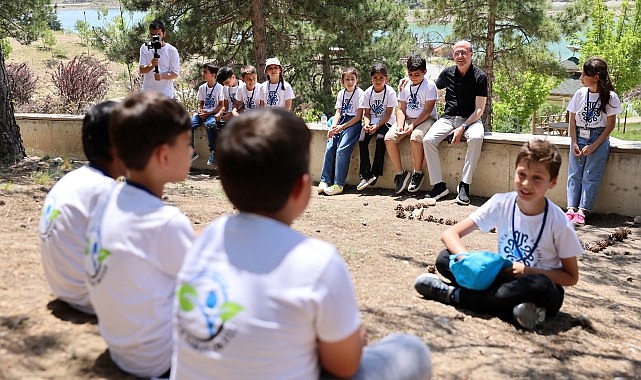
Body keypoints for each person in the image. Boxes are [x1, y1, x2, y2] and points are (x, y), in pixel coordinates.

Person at [171, 109, 432, 380]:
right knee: (411, 350)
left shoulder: (199, 242)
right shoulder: (317, 262)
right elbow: (345, 366)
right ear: (302, 189)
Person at [414, 139, 583, 331]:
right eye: (521, 174)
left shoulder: (559, 223)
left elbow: (571, 277)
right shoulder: (501, 202)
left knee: (541, 286)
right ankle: (515, 311)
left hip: (537, 287)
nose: (526, 183)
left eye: (537, 178)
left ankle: (451, 295)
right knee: (445, 258)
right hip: (502, 278)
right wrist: (466, 261)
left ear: (552, 182)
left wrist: (527, 271)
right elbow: (450, 234)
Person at [84, 92, 195, 378]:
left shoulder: (107, 200)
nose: (192, 152)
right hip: (160, 361)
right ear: (163, 154)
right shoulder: (166, 222)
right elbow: (205, 294)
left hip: (121, 349)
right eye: (188, 144)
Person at [39, 101, 126, 315]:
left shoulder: (72, 180)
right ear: (116, 149)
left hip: (65, 289)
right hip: (92, 297)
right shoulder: (105, 191)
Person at [422, 40, 487, 205]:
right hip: (449, 118)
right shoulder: (447, 73)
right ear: (453, 56)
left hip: (471, 120)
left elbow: (479, 109)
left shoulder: (480, 77)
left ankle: (465, 185)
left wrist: (463, 127)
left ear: (471, 54)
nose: (460, 56)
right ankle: (439, 186)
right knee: (428, 140)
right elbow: (429, 86)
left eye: (464, 52)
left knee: (476, 138)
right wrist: (407, 81)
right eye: (457, 53)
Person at [565, 57, 622, 226]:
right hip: (579, 137)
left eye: (584, 74)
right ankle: (570, 209)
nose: (581, 77)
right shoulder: (580, 94)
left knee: (591, 175)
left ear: (596, 76)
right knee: (574, 173)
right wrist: (574, 142)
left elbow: (610, 125)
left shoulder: (611, 97)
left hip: (598, 138)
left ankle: (583, 210)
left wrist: (595, 145)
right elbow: (572, 120)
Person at [385, 55, 438, 195]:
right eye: (410, 74)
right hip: (407, 119)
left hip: (426, 119)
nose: (413, 77)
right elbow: (401, 108)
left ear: (424, 72)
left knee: (415, 138)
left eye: (417, 74)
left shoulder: (430, 86)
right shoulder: (404, 85)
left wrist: (413, 126)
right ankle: (400, 173)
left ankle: (418, 173)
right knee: (389, 138)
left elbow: (427, 111)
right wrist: (400, 125)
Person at [317, 67, 365, 196]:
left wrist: (342, 127)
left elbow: (358, 117)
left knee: (342, 149)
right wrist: (334, 127)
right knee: (330, 146)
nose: (350, 82)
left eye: (352, 79)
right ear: (342, 81)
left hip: (353, 123)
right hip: (341, 120)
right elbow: (338, 112)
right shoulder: (341, 94)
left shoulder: (360, 94)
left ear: (356, 80)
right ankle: (325, 180)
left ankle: (339, 184)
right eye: (347, 79)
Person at [357, 63, 397, 191]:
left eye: (381, 78)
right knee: (362, 140)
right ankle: (365, 174)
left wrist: (377, 125)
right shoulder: (368, 93)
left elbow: (389, 114)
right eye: (375, 78)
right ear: (371, 79)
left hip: (386, 122)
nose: (378, 81)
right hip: (372, 121)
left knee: (381, 138)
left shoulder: (390, 92)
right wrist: (367, 124)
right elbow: (367, 113)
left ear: (386, 78)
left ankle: (375, 173)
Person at [191, 62, 224, 165]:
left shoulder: (220, 88)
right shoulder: (202, 88)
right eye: (203, 71)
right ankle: (191, 151)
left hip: (213, 114)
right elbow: (201, 103)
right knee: (188, 124)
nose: (203, 74)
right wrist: (200, 110)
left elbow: (221, 105)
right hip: (203, 114)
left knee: (210, 125)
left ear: (213, 75)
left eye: (205, 72)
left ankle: (213, 152)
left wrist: (209, 112)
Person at [138, 20, 180, 99]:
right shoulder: (145, 47)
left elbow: (175, 73)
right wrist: (151, 65)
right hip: (147, 95)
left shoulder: (171, 50)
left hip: (165, 95)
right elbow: (142, 70)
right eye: (153, 35)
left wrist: (162, 76)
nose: (156, 37)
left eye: (158, 34)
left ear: (164, 34)